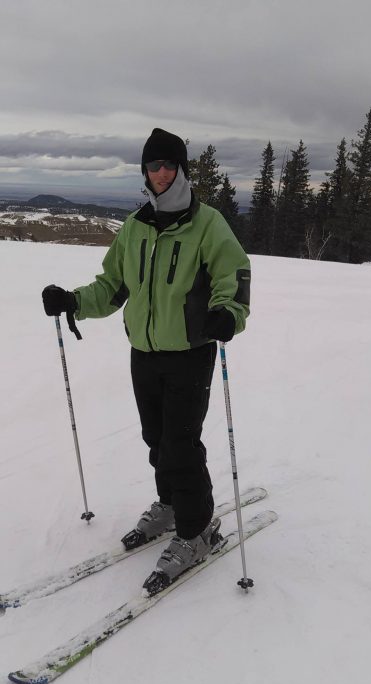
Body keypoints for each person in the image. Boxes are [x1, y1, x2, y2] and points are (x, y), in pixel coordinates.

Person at [42, 128, 251, 593]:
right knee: (156, 438)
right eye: (152, 166)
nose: (160, 173)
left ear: (180, 170)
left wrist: (228, 314)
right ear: (145, 172)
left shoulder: (208, 224)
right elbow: (112, 287)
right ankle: (171, 504)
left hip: (190, 353)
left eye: (167, 165)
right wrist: (72, 300)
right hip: (144, 352)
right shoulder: (135, 227)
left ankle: (197, 531)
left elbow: (233, 277)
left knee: (180, 442)